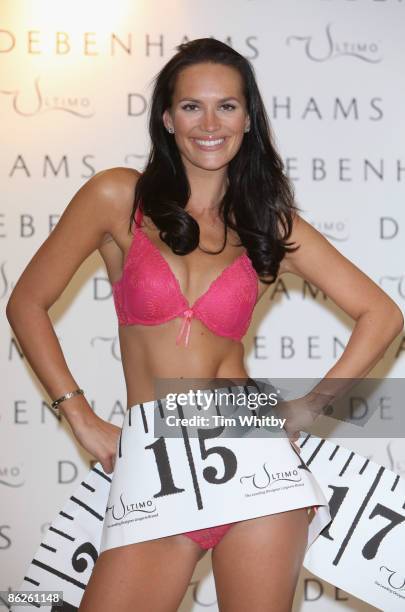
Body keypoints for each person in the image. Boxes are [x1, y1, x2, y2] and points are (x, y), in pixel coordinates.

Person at [6, 38, 403, 612]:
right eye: (192, 106)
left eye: (228, 106)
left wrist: (308, 406)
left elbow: (383, 314)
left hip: (255, 457)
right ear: (167, 118)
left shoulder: (266, 221)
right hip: (157, 461)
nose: (209, 122)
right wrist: (80, 416)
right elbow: (26, 303)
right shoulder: (118, 197)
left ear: (248, 119)